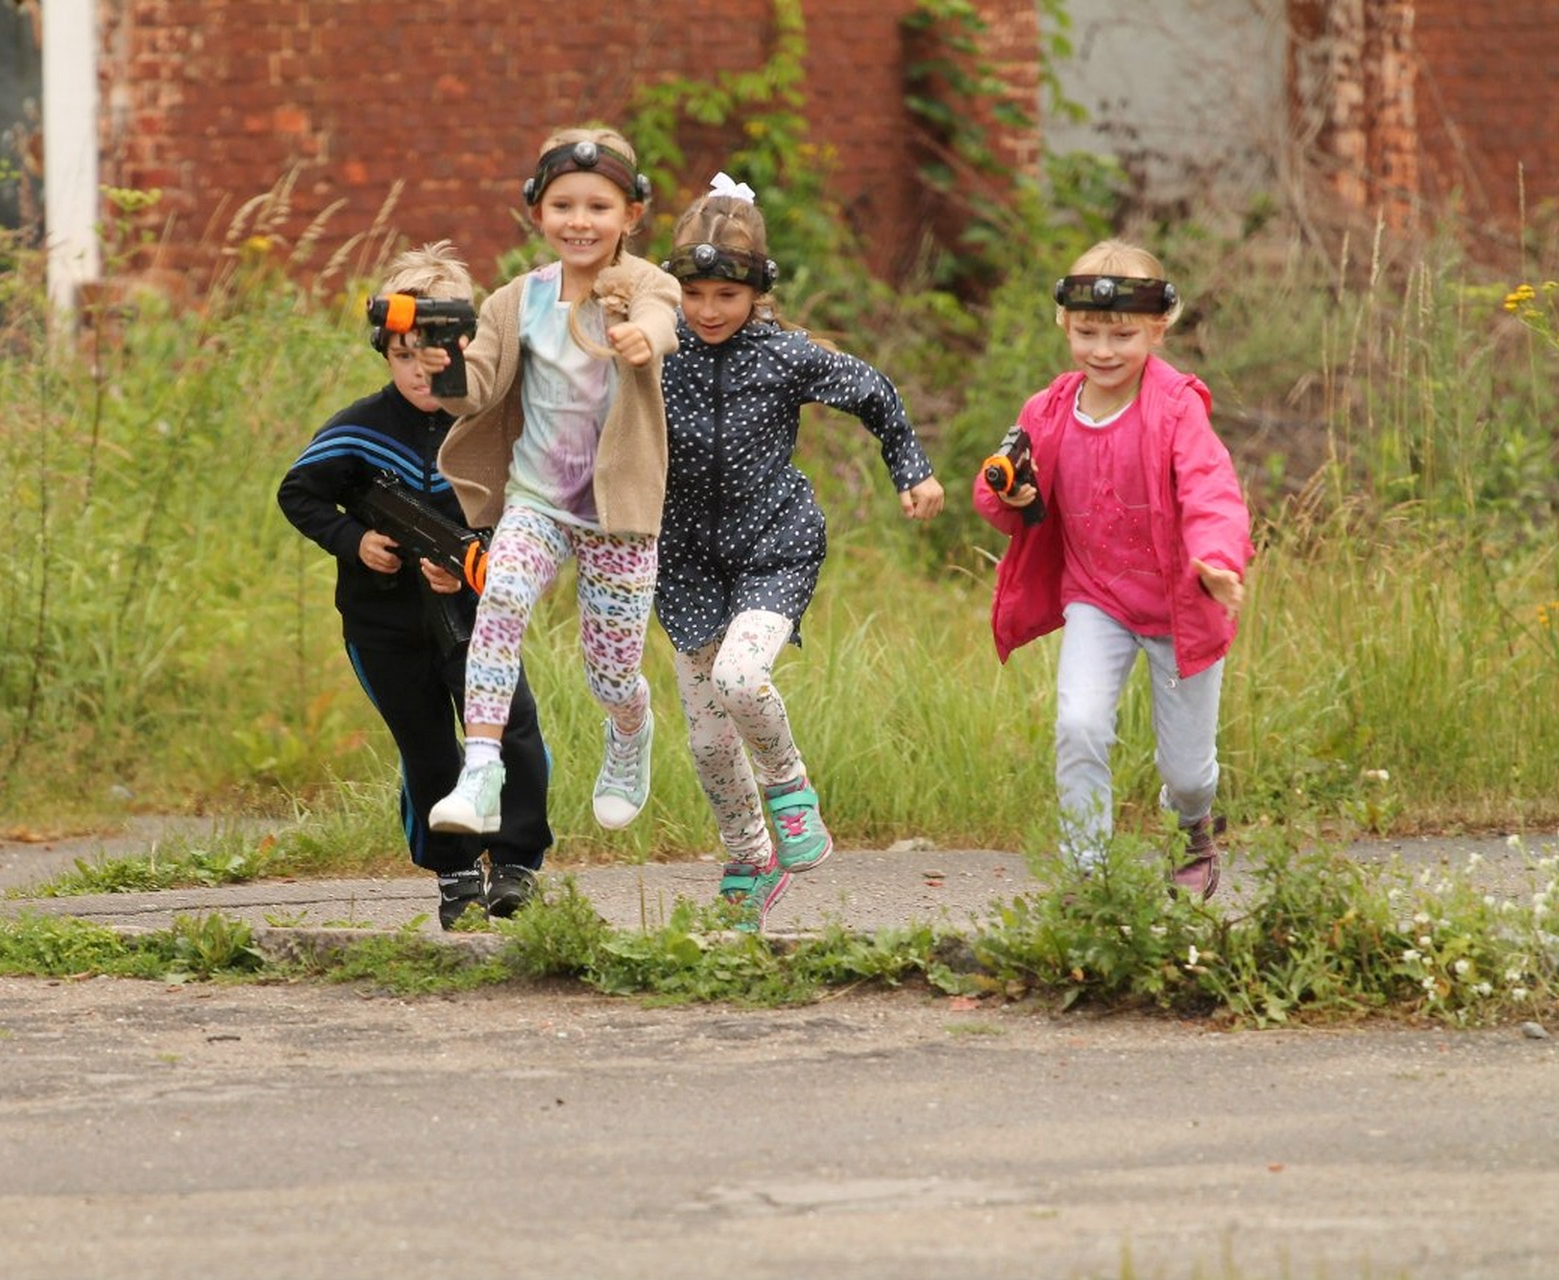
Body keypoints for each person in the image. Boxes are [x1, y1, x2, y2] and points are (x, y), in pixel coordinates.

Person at [655, 174, 946, 930]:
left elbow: (875, 392)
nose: (709, 311)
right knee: (708, 740)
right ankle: (748, 857)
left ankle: (789, 787)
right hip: (683, 560)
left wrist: (910, 470)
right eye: (694, 295)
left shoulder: (785, 356)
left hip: (771, 547)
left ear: (757, 291)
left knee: (741, 677)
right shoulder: (654, 354)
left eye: (727, 296)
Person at [277, 242, 553, 928]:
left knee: (512, 731)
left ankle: (516, 863)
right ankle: (456, 874)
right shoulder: (357, 431)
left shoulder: (492, 426)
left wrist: (472, 558)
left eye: (438, 354)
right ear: (384, 351)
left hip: (477, 615)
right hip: (383, 626)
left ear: (470, 348)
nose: (423, 371)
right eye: (405, 356)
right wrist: (356, 540)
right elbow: (298, 493)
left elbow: (532, 506)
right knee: (428, 746)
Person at [420, 126, 682, 838]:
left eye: (599, 207)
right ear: (538, 211)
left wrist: (642, 336)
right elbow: (474, 390)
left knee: (610, 671)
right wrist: (441, 359)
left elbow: (666, 316)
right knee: (500, 596)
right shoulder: (517, 300)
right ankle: (480, 770)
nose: (580, 222)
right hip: (537, 501)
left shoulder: (642, 286)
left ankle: (630, 729)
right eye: (563, 205)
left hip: (617, 515)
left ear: (631, 216)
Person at [973, 239, 1253, 897]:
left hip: (1181, 604)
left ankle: (1192, 828)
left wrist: (1216, 560)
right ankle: (1087, 878)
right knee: (1079, 724)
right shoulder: (1047, 411)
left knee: (1186, 771)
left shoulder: (1175, 407)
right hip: (1095, 598)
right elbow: (1006, 491)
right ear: (1064, 326)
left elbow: (1213, 488)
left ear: (1160, 328)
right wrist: (1010, 494)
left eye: (1122, 334)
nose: (1103, 349)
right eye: (1088, 332)